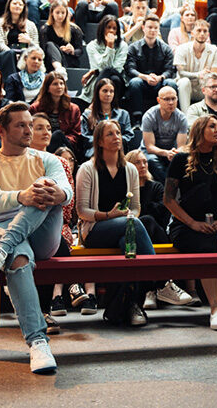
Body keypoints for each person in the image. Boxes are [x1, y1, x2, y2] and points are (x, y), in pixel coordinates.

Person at [0, 101, 73, 374]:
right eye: (21, 125)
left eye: (30, 124)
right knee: (19, 258)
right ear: (0, 130)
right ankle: (38, 342)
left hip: (43, 234)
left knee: (45, 187)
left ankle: (1, 250)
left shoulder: (47, 159)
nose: (29, 130)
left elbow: (65, 189)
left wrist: (59, 195)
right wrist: (21, 197)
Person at [163, 115, 217, 330]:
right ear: (200, 130)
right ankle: (215, 309)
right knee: (207, 246)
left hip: (212, 221)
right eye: (212, 126)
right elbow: (168, 200)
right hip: (185, 223)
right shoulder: (181, 159)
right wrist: (192, 224)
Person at [75, 120, 154, 326]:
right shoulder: (87, 169)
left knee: (129, 247)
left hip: (123, 230)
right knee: (134, 226)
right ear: (99, 141)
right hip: (94, 230)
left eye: (118, 132)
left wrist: (127, 218)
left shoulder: (130, 170)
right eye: (110, 134)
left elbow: (136, 207)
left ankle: (127, 306)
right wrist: (110, 215)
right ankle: (159, 280)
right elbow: (82, 211)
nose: (116, 137)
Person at [28, 114, 92, 323]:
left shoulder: (62, 163)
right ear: (28, 131)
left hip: (56, 223)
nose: (46, 132)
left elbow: (67, 207)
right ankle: (73, 283)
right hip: (26, 222)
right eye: (39, 128)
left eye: (48, 127)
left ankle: (44, 311)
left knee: (55, 239)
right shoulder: (22, 160)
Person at [125, 14, 178, 125]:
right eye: (150, 27)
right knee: (134, 82)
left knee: (171, 83)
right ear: (143, 28)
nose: (153, 30)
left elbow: (170, 70)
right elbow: (130, 69)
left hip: (160, 82)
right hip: (142, 81)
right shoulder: (133, 47)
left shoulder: (166, 49)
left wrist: (160, 77)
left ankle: (170, 117)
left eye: (155, 28)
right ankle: (137, 120)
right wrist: (145, 77)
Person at [142, 86, 188, 183]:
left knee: (185, 159)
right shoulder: (149, 116)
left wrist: (174, 153)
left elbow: (182, 146)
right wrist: (166, 153)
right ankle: (167, 188)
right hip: (150, 152)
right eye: (166, 99)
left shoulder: (181, 118)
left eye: (173, 99)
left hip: (171, 151)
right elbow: (150, 147)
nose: (171, 102)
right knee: (152, 161)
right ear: (158, 100)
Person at [77, 15, 127, 104]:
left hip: (119, 79)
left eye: (114, 28)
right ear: (102, 29)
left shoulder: (123, 45)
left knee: (115, 78)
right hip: (98, 79)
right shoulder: (92, 46)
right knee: (112, 78)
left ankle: (95, 104)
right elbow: (100, 68)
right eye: (108, 27)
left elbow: (117, 69)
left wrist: (93, 71)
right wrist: (110, 47)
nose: (111, 30)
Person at [81, 78, 136, 159]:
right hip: (96, 152)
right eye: (105, 91)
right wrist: (104, 142)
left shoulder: (123, 114)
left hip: (118, 151)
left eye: (111, 91)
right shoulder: (88, 115)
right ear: (97, 93)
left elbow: (129, 135)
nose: (108, 94)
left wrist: (113, 140)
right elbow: (85, 137)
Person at [29, 72, 82, 155]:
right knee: (57, 135)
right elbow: (30, 130)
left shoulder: (73, 109)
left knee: (59, 136)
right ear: (48, 88)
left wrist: (62, 140)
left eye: (61, 84)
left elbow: (76, 134)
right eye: (55, 84)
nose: (59, 87)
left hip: (65, 146)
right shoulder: (35, 108)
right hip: (42, 144)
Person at [174, 20, 217, 112]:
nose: (202, 34)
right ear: (192, 33)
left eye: (205, 31)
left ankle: (216, 114)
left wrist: (206, 76)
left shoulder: (214, 50)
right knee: (184, 81)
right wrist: (198, 74)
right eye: (199, 30)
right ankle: (186, 117)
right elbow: (181, 72)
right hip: (186, 87)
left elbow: (214, 73)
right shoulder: (181, 48)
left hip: (204, 85)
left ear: (208, 34)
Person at [0, 0, 39, 79]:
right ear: (9, 5)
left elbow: (37, 47)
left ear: (24, 8)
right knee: (10, 54)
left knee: (28, 56)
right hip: (5, 53)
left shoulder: (31, 25)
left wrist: (29, 41)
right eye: (14, 3)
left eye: (20, 4)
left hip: (24, 53)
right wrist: (14, 54)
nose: (17, 6)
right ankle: (11, 83)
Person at [41, 1, 84, 72]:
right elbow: (43, 50)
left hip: (69, 60)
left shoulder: (74, 29)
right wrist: (58, 50)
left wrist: (72, 51)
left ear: (66, 13)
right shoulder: (45, 29)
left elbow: (80, 50)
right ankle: (59, 69)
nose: (60, 16)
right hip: (51, 63)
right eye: (57, 13)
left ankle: (60, 70)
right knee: (50, 45)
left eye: (63, 13)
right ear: (52, 13)